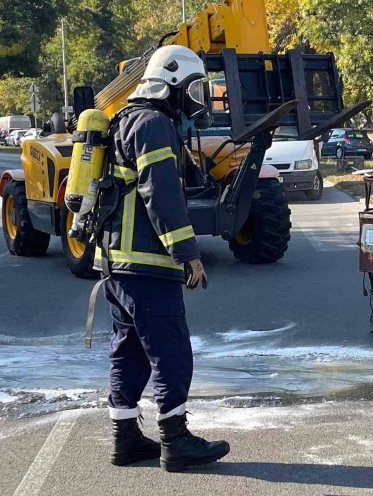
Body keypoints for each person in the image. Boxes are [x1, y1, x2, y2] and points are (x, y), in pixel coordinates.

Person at [96, 45, 230, 472]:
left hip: (117, 264)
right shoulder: (154, 125)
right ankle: (176, 442)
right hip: (147, 264)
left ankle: (126, 439)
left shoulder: (127, 119)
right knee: (170, 351)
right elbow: (162, 194)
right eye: (195, 89)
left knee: (129, 351)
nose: (199, 99)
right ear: (173, 84)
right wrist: (188, 254)